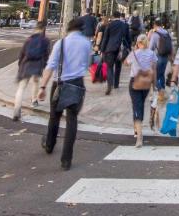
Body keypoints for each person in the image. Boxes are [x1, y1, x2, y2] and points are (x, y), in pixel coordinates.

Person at [38, 17, 92, 171]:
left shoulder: (61, 43)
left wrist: (42, 87)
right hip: (77, 84)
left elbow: (51, 66)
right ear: (82, 29)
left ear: (69, 28)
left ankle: (49, 144)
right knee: (72, 120)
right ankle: (66, 160)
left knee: (54, 116)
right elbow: (88, 63)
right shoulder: (86, 43)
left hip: (60, 84)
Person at [13, 20, 50, 121]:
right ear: (43, 29)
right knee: (35, 82)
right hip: (37, 64)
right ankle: (34, 100)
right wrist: (45, 66)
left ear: (35, 28)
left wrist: (20, 64)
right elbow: (46, 55)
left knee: (21, 87)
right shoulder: (45, 40)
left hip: (26, 64)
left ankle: (16, 110)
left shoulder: (29, 39)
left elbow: (22, 54)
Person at [125, 34, 157, 147]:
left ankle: (139, 137)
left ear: (138, 43)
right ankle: (136, 129)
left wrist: (134, 51)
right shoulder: (152, 54)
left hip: (135, 82)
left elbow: (126, 63)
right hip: (146, 83)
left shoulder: (134, 53)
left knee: (136, 106)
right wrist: (154, 85)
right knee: (140, 104)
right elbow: (154, 70)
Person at [99, 12, 131, 95]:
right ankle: (116, 84)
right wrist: (129, 48)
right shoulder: (125, 25)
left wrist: (102, 50)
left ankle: (110, 84)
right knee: (118, 67)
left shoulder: (109, 25)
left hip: (110, 48)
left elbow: (105, 38)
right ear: (120, 16)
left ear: (113, 16)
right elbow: (128, 38)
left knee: (109, 67)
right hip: (120, 49)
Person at [149, 18, 173, 90]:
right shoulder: (167, 33)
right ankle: (162, 89)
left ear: (155, 25)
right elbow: (171, 46)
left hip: (157, 57)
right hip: (166, 57)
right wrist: (171, 58)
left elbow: (151, 48)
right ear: (161, 25)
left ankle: (160, 90)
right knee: (162, 74)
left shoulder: (155, 34)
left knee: (154, 76)